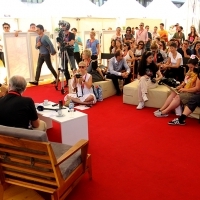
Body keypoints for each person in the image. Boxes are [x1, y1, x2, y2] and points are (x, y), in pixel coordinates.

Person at [57, 21, 76, 87]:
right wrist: (60, 45)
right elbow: (59, 43)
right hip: (63, 53)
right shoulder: (60, 34)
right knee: (64, 68)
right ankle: (68, 81)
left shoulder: (71, 34)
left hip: (70, 53)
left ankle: (75, 81)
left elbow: (72, 42)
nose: (62, 27)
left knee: (73, 67)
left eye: (63, 26)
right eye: (61, 26)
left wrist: (66, 43)